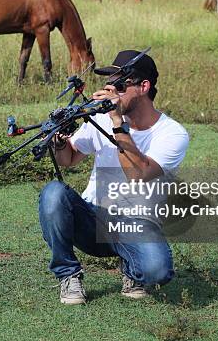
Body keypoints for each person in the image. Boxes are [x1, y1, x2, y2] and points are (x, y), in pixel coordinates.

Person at [38, 49, 189, 305]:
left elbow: (138, 174)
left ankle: (133, 270)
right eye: (109, 84)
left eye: (119, 85)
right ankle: (68, 275)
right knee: (53, 193)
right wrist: (59, 142)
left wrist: (118, 122)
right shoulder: (101, 118)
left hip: (136, 223)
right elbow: (69, 160)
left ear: (144, 86)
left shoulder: (172, 133)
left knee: (157, 271)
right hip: (93, 217)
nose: (111, 90)